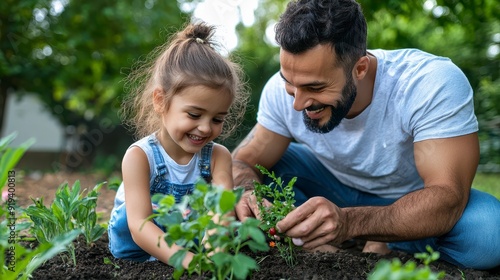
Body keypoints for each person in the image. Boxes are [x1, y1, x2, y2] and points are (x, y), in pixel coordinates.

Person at [232, 0, 500, 270]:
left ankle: (385, 239)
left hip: (411, 201)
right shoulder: (282, 92)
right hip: (330, 185)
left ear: (360, 68)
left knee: (489, 235)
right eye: (289, 82)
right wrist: (247, 193)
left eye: (315, 86)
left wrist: (351, 223)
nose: (298, 103)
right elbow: (240, 161)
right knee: (249, 173)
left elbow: (447, 197)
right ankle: (320, 231)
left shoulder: (429, 82)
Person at [108, 22, 249, 269]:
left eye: (217, 119)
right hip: (137, 249)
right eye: (194, 115)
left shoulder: (218, 157)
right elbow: (138, 225)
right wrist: (187, 262)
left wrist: (214, 253)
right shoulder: (140, 156)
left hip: (190, 242)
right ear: (161, 101)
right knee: (141, 217)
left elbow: (221, 214)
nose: (206, 128)